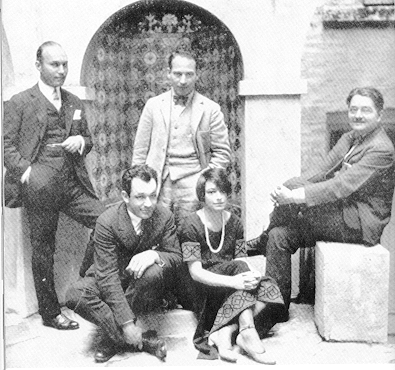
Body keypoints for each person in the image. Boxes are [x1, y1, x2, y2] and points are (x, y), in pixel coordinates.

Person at [264, 86, 395, 314]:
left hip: (358, 223)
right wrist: (287, 187)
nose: (358, 115)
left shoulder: (382, 149)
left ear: (379, 114)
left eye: (366, 110)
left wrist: (293, 197)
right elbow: (320, 171)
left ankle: (261, 237)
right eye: (353, 109)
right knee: (278, 236)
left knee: (294, 198)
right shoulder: (351, 137)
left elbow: (340, 186)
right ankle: (276, 308)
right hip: (339, 212)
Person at [4, 41, 105, 330]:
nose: (61, 70)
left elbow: (89, 139)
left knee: (106, 222)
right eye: (54, 65)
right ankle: (50, 313)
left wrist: (82, 141)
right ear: (39, 66)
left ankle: (87, 285)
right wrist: (27, 173)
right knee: (43, 247)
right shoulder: (21, 101)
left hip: (72, 184)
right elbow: (6, 143)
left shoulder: (74, 101)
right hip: (40, 185)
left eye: (64, 65)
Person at [65, 165, 187, 363]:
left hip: (142, 284)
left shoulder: (164, 216)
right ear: (125, 196)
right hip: (111, 278)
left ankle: (110, 339)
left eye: (153, 196)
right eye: (140, 197)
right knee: (74, 295)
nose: (148, 203)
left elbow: (176, 257)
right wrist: (127, 324)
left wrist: (154, 254)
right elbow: (107, 277)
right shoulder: (107, 220)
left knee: (154, 272)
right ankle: (141, 340)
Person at [178, 168, 285, 364]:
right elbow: (195, 273)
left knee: (270, 287)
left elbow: (240, 260)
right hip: (203, 290)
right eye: (212, 192)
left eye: (223, 192)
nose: (219, 197)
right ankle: (246, 331)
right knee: (239, 272)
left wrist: (252, 276)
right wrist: (235, 281)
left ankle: (226, 331)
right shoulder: (190, 224)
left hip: (231, 287)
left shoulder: (235, 222)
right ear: (202, 194)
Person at [132, 49, 231, 226]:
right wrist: (140, 183)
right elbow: (140, 151)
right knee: (157, 231)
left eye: (189, 74)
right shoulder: (153, 106)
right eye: (178, 74)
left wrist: (204, 182)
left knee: (189, 232)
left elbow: (222, 154)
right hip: (157, 181)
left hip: (194, 183)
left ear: (197, 75)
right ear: (168, 74)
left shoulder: (210, 109)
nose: (183, 80)